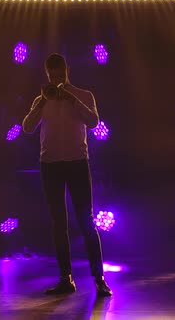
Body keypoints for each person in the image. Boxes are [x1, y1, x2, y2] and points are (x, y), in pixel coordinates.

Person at [22, 53, 112, 297]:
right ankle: (66, 279)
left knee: (86, 221)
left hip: (77, 164)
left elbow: (93, 122)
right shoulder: (42, 99)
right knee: (58, 223)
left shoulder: (84, 95)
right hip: (50, 165)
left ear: (67, 70)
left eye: (60, 74)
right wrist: (40, 103)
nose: (57, 79)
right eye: (52, 76)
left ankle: (99, 279)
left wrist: (72, 98)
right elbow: (27, 128)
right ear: (47, 75)